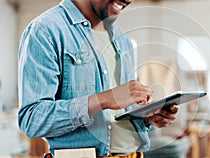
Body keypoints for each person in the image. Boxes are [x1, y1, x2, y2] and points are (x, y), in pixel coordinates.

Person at [17, 0, 178, 157]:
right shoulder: (45, 30)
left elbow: (117, 114)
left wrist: (147, 118)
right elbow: (32, 120)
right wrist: (104, 99)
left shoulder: (122, 39)